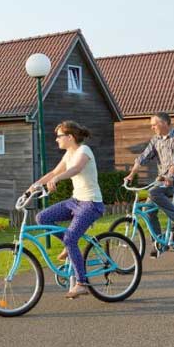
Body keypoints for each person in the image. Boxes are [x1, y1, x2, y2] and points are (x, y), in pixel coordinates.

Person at [32, 120, 105, 299]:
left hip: (91, 204)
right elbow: (53, 173)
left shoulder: (83, 151)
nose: (56, 140)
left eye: (59, 136)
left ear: (70, 137)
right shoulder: (68, 154)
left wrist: (58, 179)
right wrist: (33, 186)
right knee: (42, 218)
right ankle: (68, 244)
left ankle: (81, 283)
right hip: (76, 201)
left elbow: (76, 169)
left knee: (71, 238)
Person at [123, 112, 174, 257]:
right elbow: (142, 157)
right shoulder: (156, 140)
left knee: (154, 193)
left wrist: (170, 176)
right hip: (162, 180)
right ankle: (159, 243)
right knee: (149, 210)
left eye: (154, 125)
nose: (152, 128)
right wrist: (131, 174)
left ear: (165, 123)